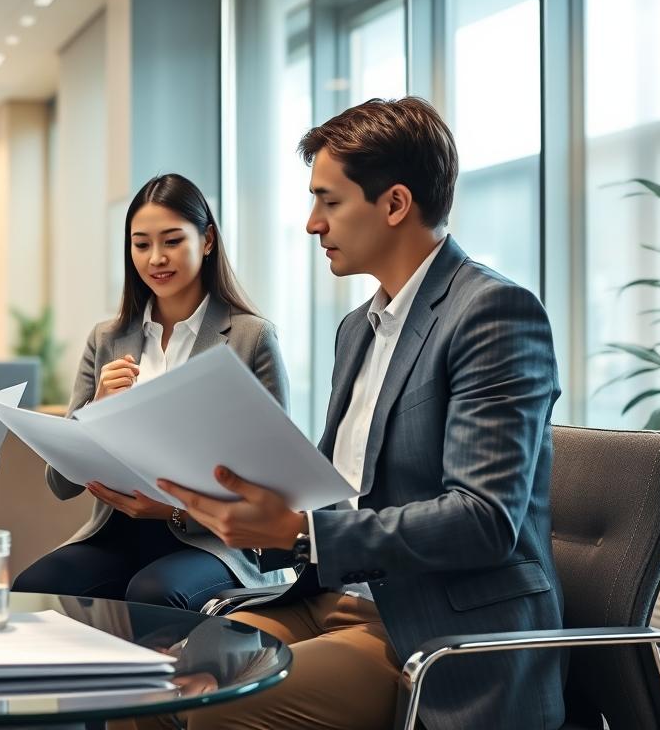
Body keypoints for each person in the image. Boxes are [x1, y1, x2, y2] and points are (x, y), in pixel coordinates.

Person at [150, 97, 564, 729]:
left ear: (395, 204)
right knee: (143, 685)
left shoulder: (494, 314)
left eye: (329, 200)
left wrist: (299, 531)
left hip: (430, 630)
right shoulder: (357, 329)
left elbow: (484, 520)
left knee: (212, 710)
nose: (313, 223)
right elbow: (335, 489)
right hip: (328, 596)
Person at [12, 173, 291, 611]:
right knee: (35, 585)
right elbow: (61, 483)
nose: (156, 258)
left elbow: (276, 482)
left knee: (154, 592)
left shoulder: (250, 338)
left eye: (172, 241)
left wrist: (171, 510)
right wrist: (97, 407)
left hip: (216, 541)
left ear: (207, 241)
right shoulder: (106, 338)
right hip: (117, 534)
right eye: (141, 244)